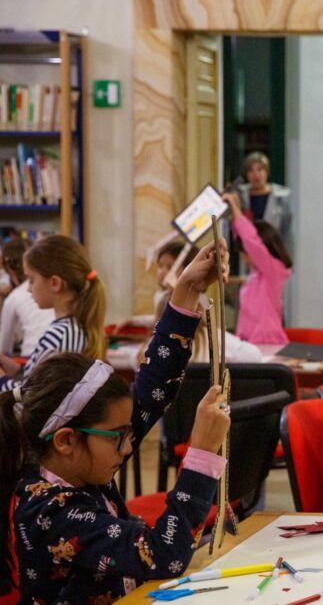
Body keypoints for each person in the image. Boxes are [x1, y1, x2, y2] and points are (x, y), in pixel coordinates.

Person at [0, 240, 231, 603]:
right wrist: (201, 455)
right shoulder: (50, 508)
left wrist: (185, 291)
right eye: (118, 437)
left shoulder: (79, 459)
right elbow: (162, 555)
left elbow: (153, 388)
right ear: (66, 440)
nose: (128, 447)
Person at [0, 235, 106, 391]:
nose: (29, 289)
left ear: (55, 283)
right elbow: (38, 383)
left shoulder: (58, 337)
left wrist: (2, 380)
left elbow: (26, 402)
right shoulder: (71, 329)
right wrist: (16, 370)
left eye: (31, 280)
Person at [223, 190, 292, 345]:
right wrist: (236, 211)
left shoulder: (274, 270)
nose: (243, 257)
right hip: (249, 343)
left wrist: (235, 208)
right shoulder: (256, 275)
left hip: (267, 344)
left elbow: (251, 241)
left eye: (245, 253)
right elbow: (244, 237)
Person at [0, 237, 54, 357]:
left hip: (31, 357)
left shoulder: (14, 297)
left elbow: (4, 346)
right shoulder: (50, 287)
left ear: (9, 269)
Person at [236, 151, 292, 247]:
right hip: (247, 251)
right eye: (251, 170)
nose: (256, 174)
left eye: (260, 169)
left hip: (273, 250)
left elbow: (287, 230)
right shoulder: (240, 196)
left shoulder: (280, 197)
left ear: (267, 171)